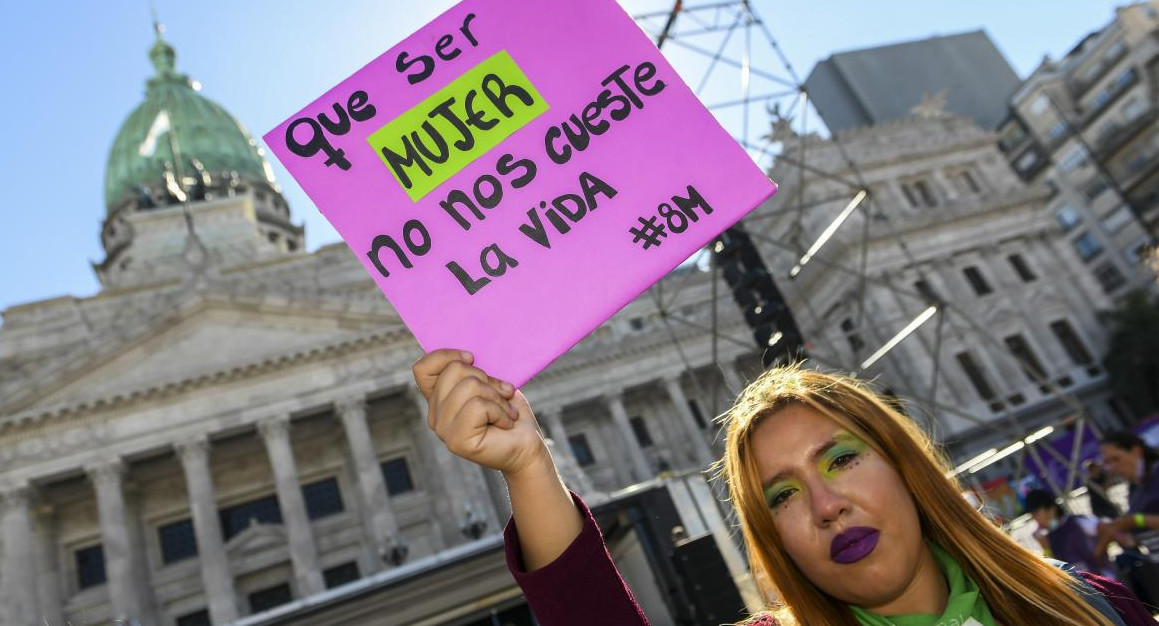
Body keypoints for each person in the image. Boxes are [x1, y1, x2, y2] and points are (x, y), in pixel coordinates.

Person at [414, 351, 1154, 625]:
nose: (825, 506)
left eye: (838, 461)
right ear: (774, 540)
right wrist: (529, 467)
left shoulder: (1090, 605)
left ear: (905, 466)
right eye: (783, 495)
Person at [1095, 432, 1159, 607]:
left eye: (1116, 459)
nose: (1112, 467)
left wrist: (1136, 521)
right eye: (1107, 463)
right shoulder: (1135, 491)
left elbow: (1139, 520)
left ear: (1136, 451)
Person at [1024, 488, 1113, 578]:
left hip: (1105, 579)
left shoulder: (1075, 522)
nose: (1035, 519)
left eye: (1036, 513)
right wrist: (1045, 547)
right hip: (1084, 587)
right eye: (1032, 515)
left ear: (1051, 509)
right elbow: (1058, 572)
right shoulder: (1048, 537)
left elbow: (1108, 529)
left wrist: (1096, 555)